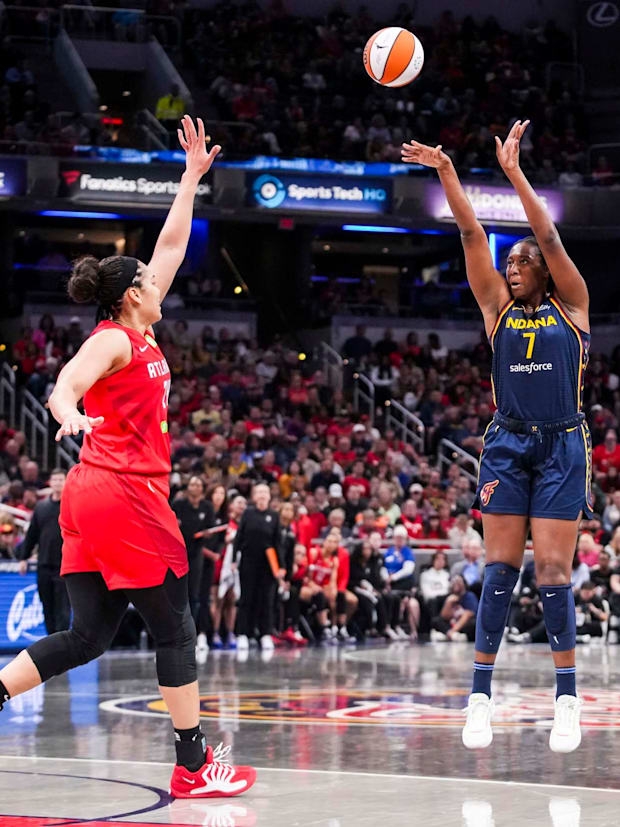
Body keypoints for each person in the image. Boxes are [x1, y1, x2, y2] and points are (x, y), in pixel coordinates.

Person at [0, 116, 255, 798]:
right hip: (121, 491)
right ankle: (193, 763)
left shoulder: (139, 323)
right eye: (149, 277)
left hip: (86, 496)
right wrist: (67, 410)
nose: (159, 275)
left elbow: (171, 243)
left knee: (87, 635)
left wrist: (191, 178)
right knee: (176, 624)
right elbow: (67, 380)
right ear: (132, 294)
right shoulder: (115, 338)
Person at [403, 119, 591, 753]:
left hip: (564, 443)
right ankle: (479, 697)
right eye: (508, 262)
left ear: (545, 269)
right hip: (508, 443)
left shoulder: (574, 303)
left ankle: (567, 701)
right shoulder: (495, 308)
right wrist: (449, 173)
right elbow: (469, 233)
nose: (512, 267)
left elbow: (547, 232)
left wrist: (513, 173)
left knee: (556, 572)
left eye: (522, 261)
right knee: (499, 571)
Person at [16, 468, 70, 635]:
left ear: (66, 481)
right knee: (47, 605)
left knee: (62, 609)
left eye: (61, 480)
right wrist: (24, 558)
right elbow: (32, 534)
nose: (58, 484)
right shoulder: (41, 507)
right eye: (55, 480)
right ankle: (52, 645)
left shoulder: (72, 505)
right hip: (44, 564)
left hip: (66, 565)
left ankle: (63, 647)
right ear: (50, 483)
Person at [234, 483, 282, 651]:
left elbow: (278, 542)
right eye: (259, 492)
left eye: (265, 492)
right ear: (254, 497)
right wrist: (234, 559)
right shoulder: (248, 514)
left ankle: (265, 634)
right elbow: (238, 538)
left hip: (267, 564)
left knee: (266, 599)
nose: (262, 495)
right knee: (247, 598)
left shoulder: (274, 516)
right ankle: (242, 634)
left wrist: (281, 566)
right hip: (248, 561)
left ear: (269, 496)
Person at [172, 475, 215, 649]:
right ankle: (176, 635)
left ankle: (194, 634)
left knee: (195, 596)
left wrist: (207, 534)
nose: (196, 486)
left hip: (197, 554)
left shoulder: (207, 506)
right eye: (192, 484)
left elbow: (210, 528)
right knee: (177, 595)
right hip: (178, 553)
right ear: (187, 487)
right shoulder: (178, 505)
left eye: (198, 484)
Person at [430, 574, 478, 642]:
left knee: (473, 624)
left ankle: (448, 635)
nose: (456, 583)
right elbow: (444, 616)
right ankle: (454, 636)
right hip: (453, 623)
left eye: (458, 581)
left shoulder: (469, 596)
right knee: (436, 621)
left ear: (464, 583)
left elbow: (467, 615)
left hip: (464, 624)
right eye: (454, 582)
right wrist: (448, 602)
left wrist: (452, 631)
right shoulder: (450, 597)